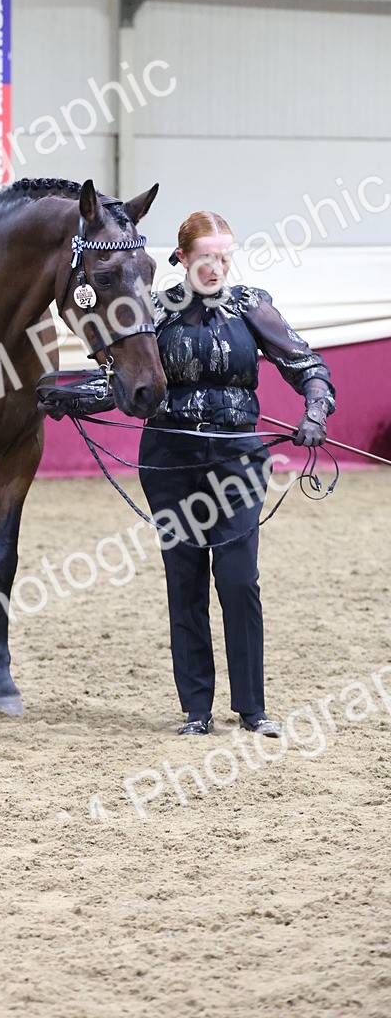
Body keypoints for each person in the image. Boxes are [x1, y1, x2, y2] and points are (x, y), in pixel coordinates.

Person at [139, 210, 336, 737]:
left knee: (238, 579)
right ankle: (196, 711)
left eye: (225, 256)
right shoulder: (154, 312)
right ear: (181, 258)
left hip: (236, 459)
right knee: (184, 581)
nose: (216, 266)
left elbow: (309, 366)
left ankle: (253, 709)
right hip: (169, 459)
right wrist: (66, 396)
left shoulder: (251, 306)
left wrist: (314, 413)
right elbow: (117, 381)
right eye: (206, 256)